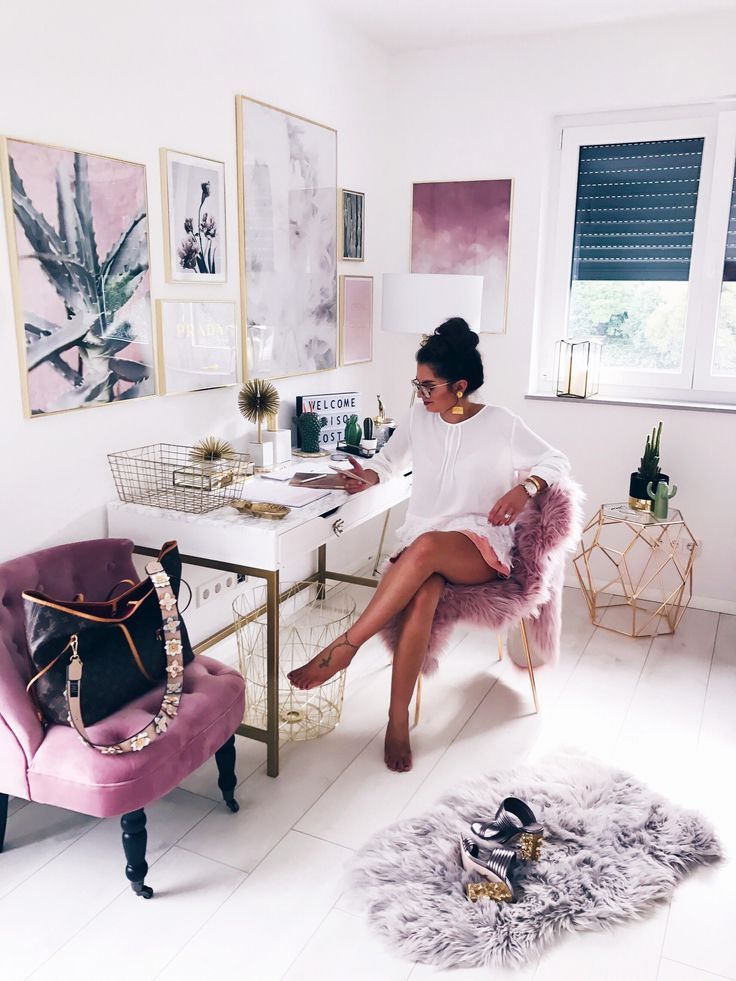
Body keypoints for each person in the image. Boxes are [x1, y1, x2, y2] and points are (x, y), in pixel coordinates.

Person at [288, 318, 570, 772]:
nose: (420, 395)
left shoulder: (501, 422)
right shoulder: (421, 418)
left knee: (425, 550)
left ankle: (346, 645)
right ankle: (397, 720)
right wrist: (369, 476)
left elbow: (557, 459)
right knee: (421, 596)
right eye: (417, 385)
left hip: (478, 546)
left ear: (460, 386)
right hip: (427, 542)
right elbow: (388, 460)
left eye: (428, 386)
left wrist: (526, 487)